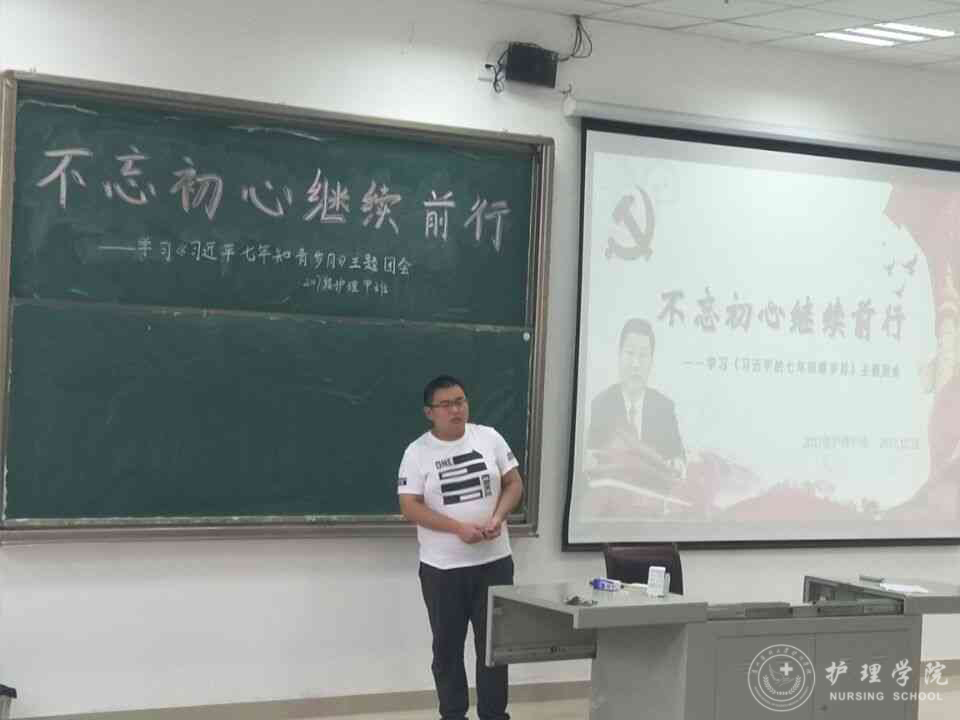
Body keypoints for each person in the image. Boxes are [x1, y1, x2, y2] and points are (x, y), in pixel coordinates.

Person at [398, 375, 523, 720]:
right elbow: (409, 506)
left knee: (494, 648)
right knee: (447, 650)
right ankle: (453, 714)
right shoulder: (417, 452)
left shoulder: (489, 437)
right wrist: (457, 529)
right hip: (443, 569)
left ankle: (494, 715)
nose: (456, 409)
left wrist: (498, 517)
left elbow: (514, 483)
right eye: (446, 404)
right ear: (429, 412)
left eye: (460, 401)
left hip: (495, 563)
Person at [586, 318, 685, 472]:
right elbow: (593, 457)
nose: (635, 364)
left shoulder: (664, 408)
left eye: (643, 355)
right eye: (630, 353)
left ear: (651, 361)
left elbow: (678, 456)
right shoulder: (601, 405)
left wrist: (678, 464)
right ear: (619, 355)